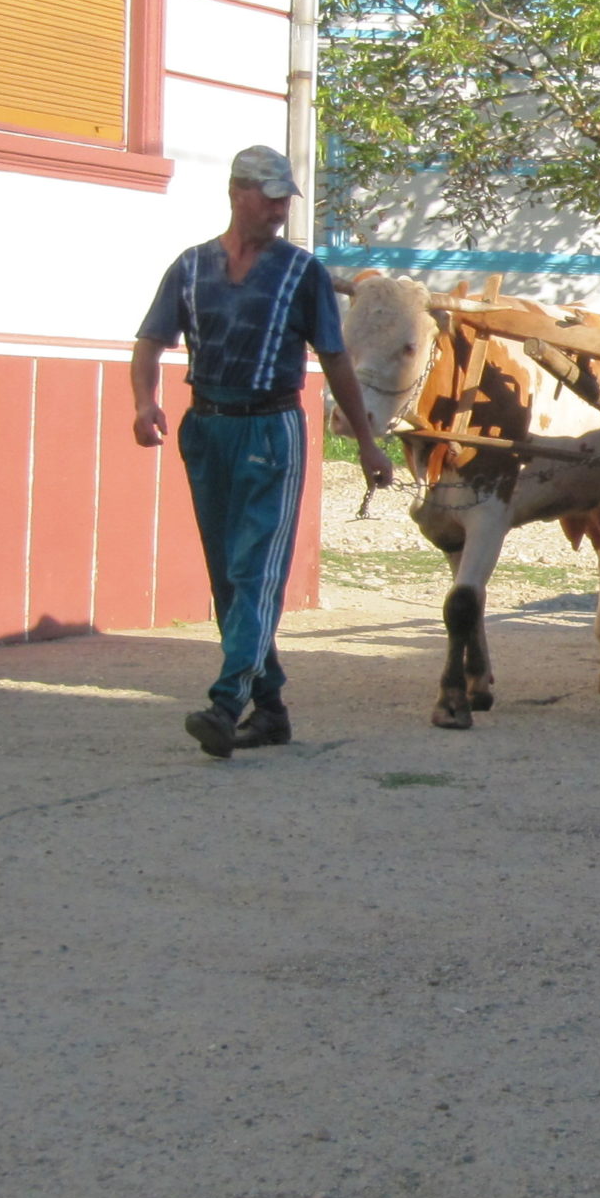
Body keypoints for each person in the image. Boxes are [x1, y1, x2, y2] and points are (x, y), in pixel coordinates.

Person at [132, 146, 394, 758]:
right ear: (237, 193)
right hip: (207, 426)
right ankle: (271, 708)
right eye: (271, 196)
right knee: (228, 574)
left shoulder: (301, 273)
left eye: (285, 199)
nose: (280, 209)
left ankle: (227, 702)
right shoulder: (191, 267)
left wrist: (365, 442)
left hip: (271, 428)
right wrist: (145, 404)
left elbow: (335, 361)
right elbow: (150, 341)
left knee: (257, 571)